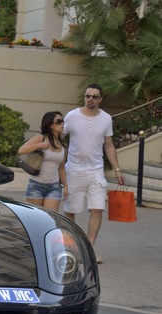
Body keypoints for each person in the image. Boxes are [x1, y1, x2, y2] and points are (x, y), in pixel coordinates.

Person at [63, 83, 125, 264]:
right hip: (73, 170)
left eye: (94, 96)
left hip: (96, 170)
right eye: (88, 96)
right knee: (70, 210)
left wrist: (117, 169)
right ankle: (73, 249)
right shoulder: (72, 116)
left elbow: (109, 145)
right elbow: (59, 137)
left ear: (101, 99)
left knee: (97, 209)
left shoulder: (106, 119)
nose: (90, 99)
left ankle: (88, 250)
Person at [17, 111, 68, 212]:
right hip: (36, 185)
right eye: (59, 121)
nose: (62, 124)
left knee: (51, 218)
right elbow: (21, 150)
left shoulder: (63, 146)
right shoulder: (40, 138)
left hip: (54, 186)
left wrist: (66, 186)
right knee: (36, 219)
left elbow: (61, 168)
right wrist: (40, 145)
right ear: (50, 124)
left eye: (63, 121)